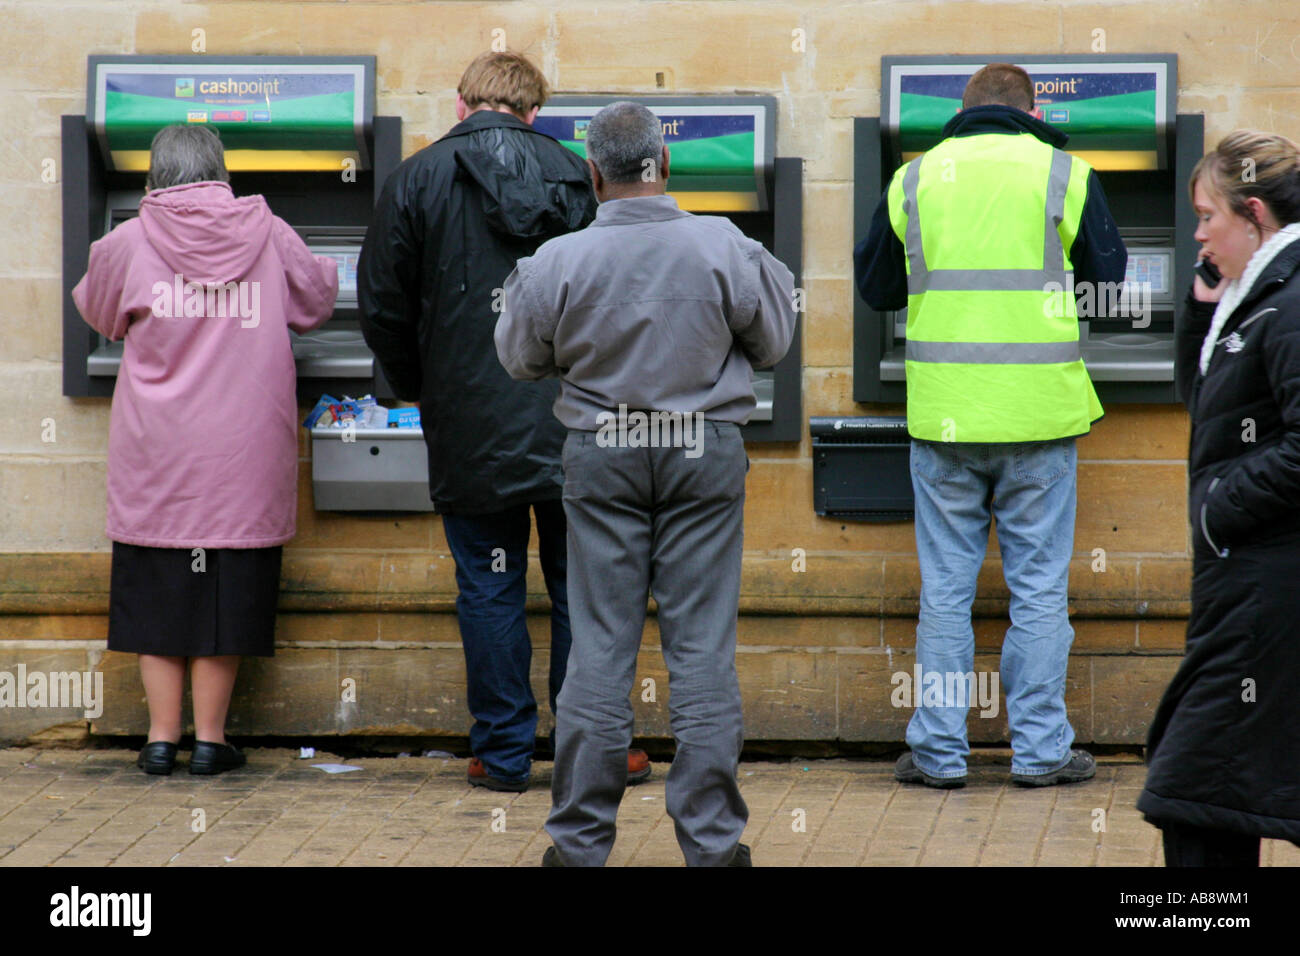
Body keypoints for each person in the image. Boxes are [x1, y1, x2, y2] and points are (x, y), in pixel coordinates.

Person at [495, 100, 796, 866]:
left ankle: (578, 845)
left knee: (598, 647)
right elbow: (773, 342)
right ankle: (714, 845)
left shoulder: (558, 259)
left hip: (604, 451)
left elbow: (519, 358)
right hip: (703, 449)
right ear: (665, 166)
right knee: (701, 650)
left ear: (593, 173)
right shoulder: (723, 243)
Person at [357, 52, 650, 792]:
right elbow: (618, 289)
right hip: (576, 418)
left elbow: (382, 304)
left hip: (469, 423)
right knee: (584, 586)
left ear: (461, 105)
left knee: (489, 585)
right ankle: (595, 748)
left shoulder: (417, 179)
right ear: (535, 111)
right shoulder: (577, 175)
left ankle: (502, 751)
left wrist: (425, 386)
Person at [855, 63, 1127, 789]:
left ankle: (940, 753)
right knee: (1039, 589)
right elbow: (1110, 281)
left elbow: (876, 286)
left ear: (963, 110)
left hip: (945, 415)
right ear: (1031, 110)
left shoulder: (915, 178)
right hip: (1038, 413)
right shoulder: (1064, 172)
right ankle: (1040, 753)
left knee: (945, 590)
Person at [72, 124, 338, 775]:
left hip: (158, 455)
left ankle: (161, 740)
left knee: (156, 595)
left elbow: (99, 314)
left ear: (152, 179)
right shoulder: (269, 232)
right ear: (223, 173)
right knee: (228, 598)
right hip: (241, 456)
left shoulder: (128, 240)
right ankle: (211, 742)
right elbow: (320, 298)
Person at [1137, 131, 1300, 866]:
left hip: (1269, 584)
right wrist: (1204, 310)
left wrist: (1218, 508)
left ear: (1255, 214)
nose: (1199, 233)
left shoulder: (1290, 301)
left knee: (1196, 785)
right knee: (1220, 790)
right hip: (1247, 585)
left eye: (1208, 216)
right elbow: (1204, 405)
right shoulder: (1256, 293)